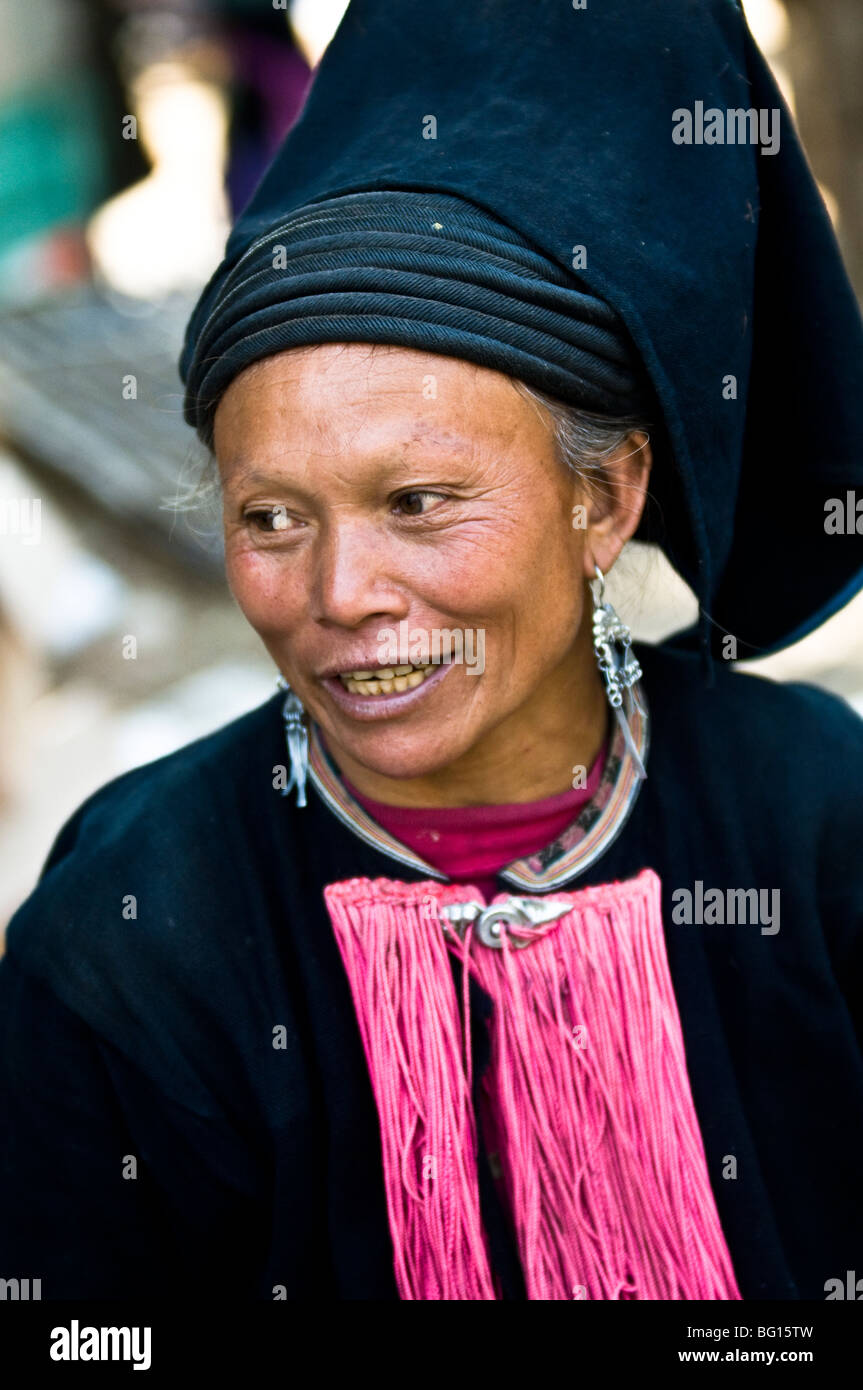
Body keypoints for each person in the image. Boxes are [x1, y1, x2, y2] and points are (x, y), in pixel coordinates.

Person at [1, 0, 862, 1301]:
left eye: (419, 503)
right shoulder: (131, 930)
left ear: (607, 498)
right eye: (272, 518)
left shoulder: (813, 815)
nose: (338, 594)